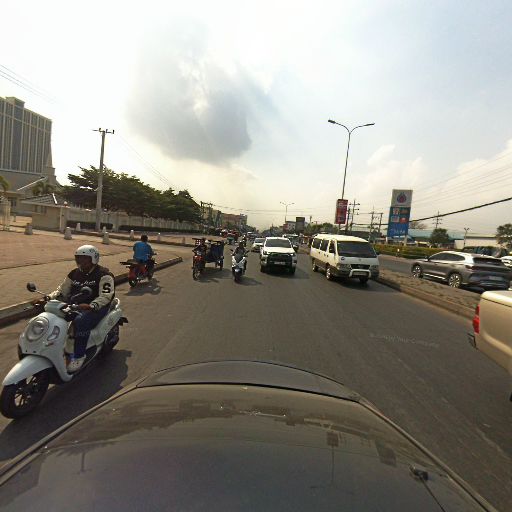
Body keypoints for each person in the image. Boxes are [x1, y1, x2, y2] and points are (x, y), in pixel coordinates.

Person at [45, 245, 115, 373]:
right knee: (51, 317)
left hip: (96, 308)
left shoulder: (104, 275)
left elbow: (106, 296)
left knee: (81, 321)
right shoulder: (74, 273)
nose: (81, 262)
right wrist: (48, 297)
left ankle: (79, 355)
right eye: (79, 258)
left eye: (85, 259)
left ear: (93, 259)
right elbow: (62, 291)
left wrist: (92, 305)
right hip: (75, 305)